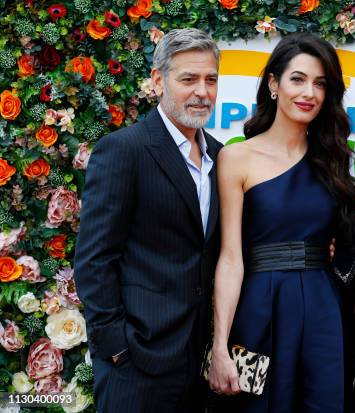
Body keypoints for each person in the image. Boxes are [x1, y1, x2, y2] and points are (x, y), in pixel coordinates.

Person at [207, 33, 355, 412]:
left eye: (320, 83)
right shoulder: (235, 157)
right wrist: (220, 345)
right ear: (274, 84)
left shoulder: (334, 160)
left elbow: (347, 246)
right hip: (260, 310)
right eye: (298, 79)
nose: (309, 92)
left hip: (324, 313)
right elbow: (230, 257)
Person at [74, 28, 222, 412]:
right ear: (158, 81)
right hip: (136, 362)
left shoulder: (221, 158)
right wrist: (116, 349)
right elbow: (94, 259)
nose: (202, 91)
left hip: (198, 364)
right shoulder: (125, 150)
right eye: (188, 79)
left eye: (210, 80)